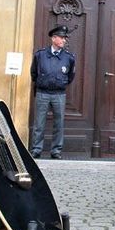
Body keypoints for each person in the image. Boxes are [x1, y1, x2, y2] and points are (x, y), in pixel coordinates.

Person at [30, 25, 76, 160]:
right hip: (42, 93)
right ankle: (36, 149)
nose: (64, 40)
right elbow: (33, 73)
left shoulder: (69, 57)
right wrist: (41, 83)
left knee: (59, 123)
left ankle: (56, 150)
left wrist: (60, 84)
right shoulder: (40, 55)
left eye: (64, 38)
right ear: (54, 38)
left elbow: (70, 76)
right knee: (39, 123)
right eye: (61, 38)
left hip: (59, 94)